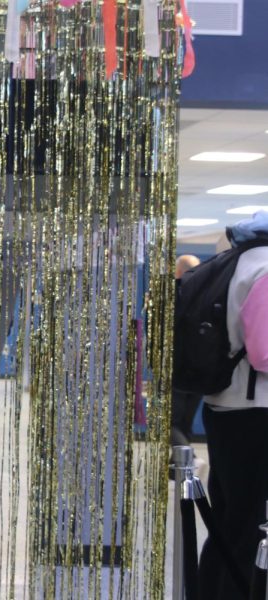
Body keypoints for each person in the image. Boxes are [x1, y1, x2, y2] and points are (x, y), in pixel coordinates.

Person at [197, 212, 268, 600]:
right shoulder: (265, 269)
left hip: (224, 407)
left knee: (227, 519)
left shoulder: (233, 261)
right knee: (249, 525)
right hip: (255, 413)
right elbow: (264, 354)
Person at [170, 255, 204, 458]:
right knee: (185, 421)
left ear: (178, 271)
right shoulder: (208, 291)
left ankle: (187, 458)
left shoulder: (169, 294)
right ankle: (178, 464)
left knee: (172, 421)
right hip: (201, 367)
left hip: (176, 366)